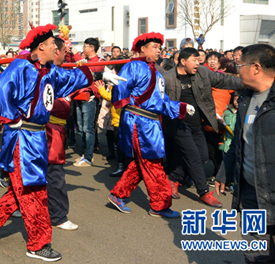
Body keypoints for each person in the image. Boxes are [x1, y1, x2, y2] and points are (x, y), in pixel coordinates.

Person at [0, 24, 122, 261]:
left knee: (25, 188)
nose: (56, 47)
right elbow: (0, 86)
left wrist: (97, 75)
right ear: (41, 46)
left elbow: (71, 77)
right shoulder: (21, 66)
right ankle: (38, 244)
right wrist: (10, 119)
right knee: (34, 192)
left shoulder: (49, 71)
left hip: (37, 137)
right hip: (22, 136)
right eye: (54, 44)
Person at [108, 32, 193, 218]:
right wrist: (120, 97)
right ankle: (159, 204)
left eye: (159, 47)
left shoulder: (157, 72)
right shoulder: (133, 66)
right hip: (139, 122)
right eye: (154, 47)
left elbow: (161, 101)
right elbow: (121, 91)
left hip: (151, 123)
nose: (158, 50)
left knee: (142, 163)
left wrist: (181, 107)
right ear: (143, 49)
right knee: (153, 163)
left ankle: (118, 194)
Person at [215, 44, 275, 264]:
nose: (237, 69)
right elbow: (239, 140)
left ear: (256, 67)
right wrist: (225, 171)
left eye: (240, 64)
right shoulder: (245, 98)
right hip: (252, 193)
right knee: (256, 253)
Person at [162, 48, 242, 207]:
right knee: (193, 157)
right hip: (179, 125)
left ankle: (173, 178)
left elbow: (223, 80)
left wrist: (247, 83)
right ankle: (204, 192)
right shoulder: (167, 78)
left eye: (199, 60)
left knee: (203, 156)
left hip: (197, 124)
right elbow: (158, 101)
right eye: (194, 60)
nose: (198, 64)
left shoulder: (203, 72)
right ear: (183, 61)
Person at [45, 37, 79, 231]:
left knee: (47, 173)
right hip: (44, 130)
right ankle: (58, 216)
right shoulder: (40, 71)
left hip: (56, 129)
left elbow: (77, 80)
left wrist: (93, 83)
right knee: (53, 174)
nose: (66, 53)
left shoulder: (59, 72)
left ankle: (55, 213)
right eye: (64, 49)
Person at [74, 37, 105, 167]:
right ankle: (85, 153)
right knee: (81, 128)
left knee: (88, 128)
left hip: (90, 99)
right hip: (79, 97)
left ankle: (88, 157)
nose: (83, 48)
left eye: (85, 46)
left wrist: (75, 55)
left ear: (92, 48)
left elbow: (88, 71)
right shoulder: (84, 60)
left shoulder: (100, 61)